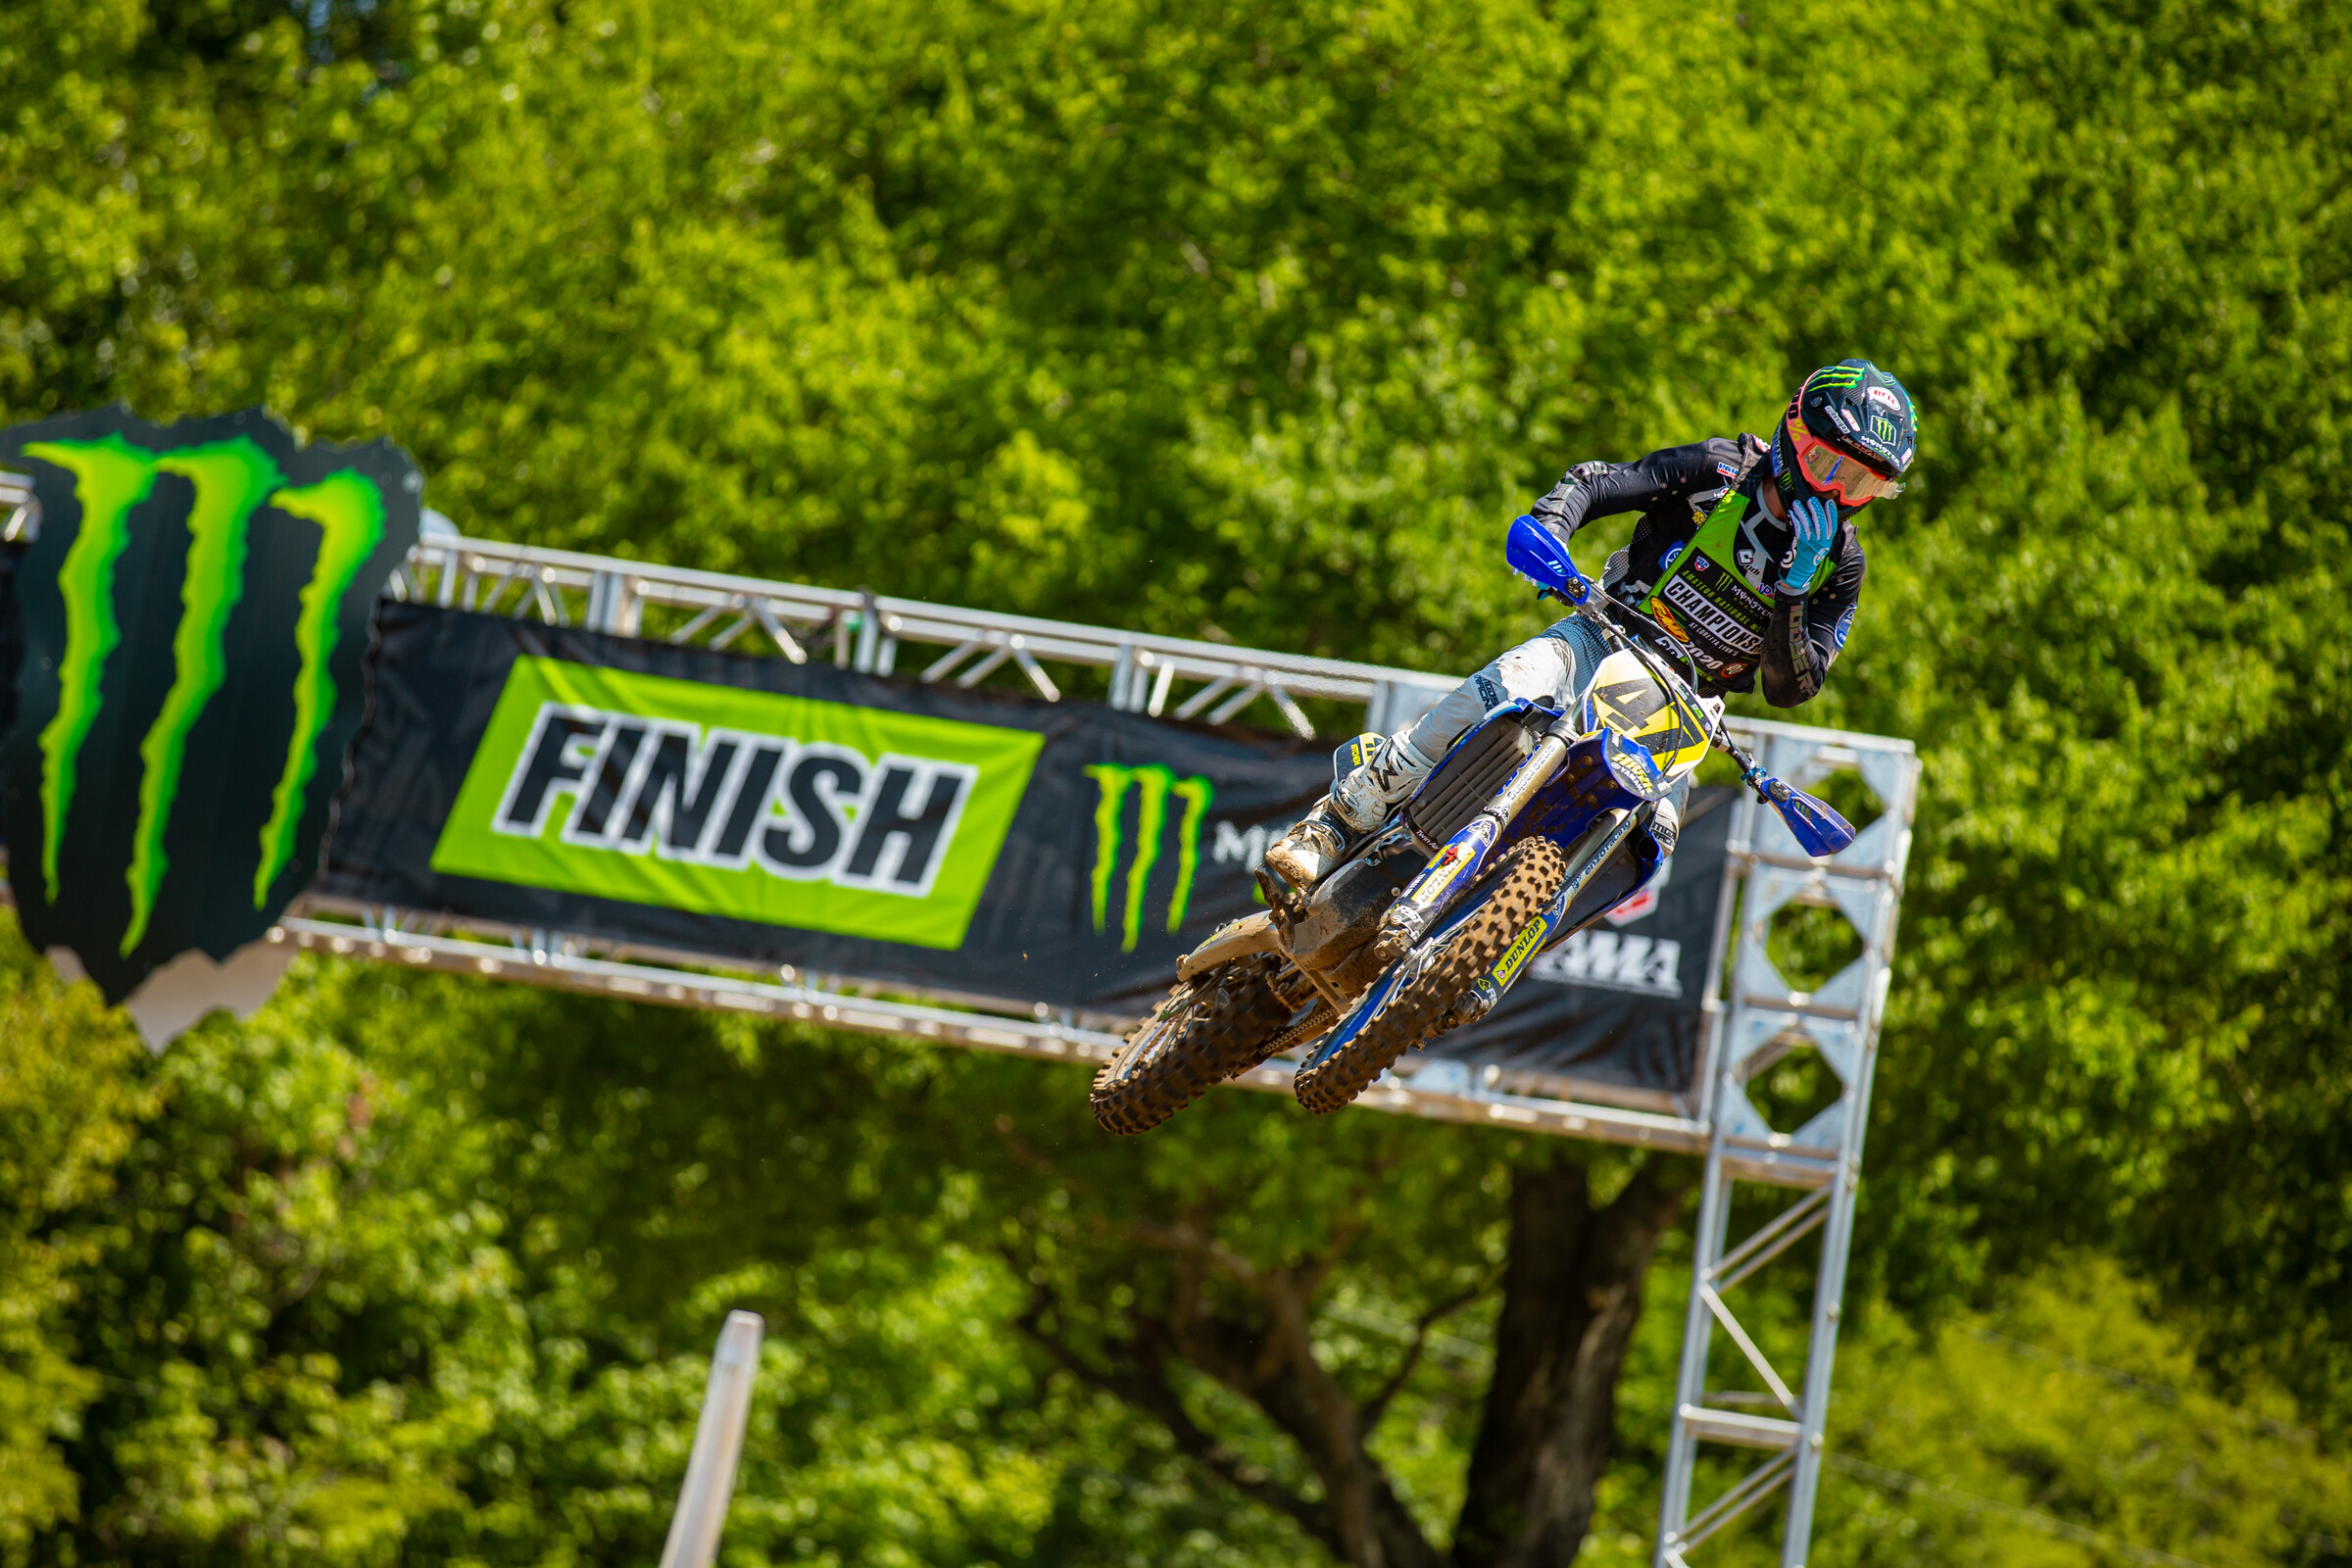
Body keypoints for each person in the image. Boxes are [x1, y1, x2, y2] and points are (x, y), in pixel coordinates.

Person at [1263, 359, 1917, 892]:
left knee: (1647, 848)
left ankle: (1477, 954)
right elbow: (1599, 483)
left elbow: (1792, 686)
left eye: (1860, 484)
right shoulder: (1720, 472)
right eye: (1831, 466)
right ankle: (1344, 817)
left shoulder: (1839, 568)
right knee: (1506, 683)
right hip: (1604, 633)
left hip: (1688, 708)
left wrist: (1795, 591)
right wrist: (1549, 530)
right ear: (1793, 437)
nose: (1835, 493)